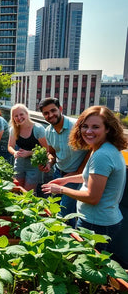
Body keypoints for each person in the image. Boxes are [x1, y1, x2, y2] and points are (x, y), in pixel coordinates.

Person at [42, 106, 127, 252]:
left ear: (108, 129)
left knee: (91, 267)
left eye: (95, 127)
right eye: (85, 126)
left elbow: (93, 197)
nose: (88, 131)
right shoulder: (102, 148)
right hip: (100, 220)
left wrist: (61, 189)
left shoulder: (102, 155)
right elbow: (90, 177)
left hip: (97, 224)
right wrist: (65, 180)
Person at [38, 98, 88, 227]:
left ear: (60, 109)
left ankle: (67, 240)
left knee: (64, 212)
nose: (50, 115)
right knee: (56, 206)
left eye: (53, 110)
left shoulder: (76, 127)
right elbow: (52, 153)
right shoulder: (48, 131)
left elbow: (91, 150)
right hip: (58, 173)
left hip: (75, 176)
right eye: (46, 113)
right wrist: (49, 163)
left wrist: (78, 172)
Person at [8, 104, 48, 191]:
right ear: (13, 118)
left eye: (21, 114)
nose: (19, 117)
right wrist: (14, 152)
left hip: (34, 164)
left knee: (28, 192)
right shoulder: (13, 129)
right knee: (16, 189)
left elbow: (47, 149)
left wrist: (29, 153)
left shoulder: (38, 129)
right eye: (16, 116)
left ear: (27, 114)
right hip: (19, 163)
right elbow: (10, 146)